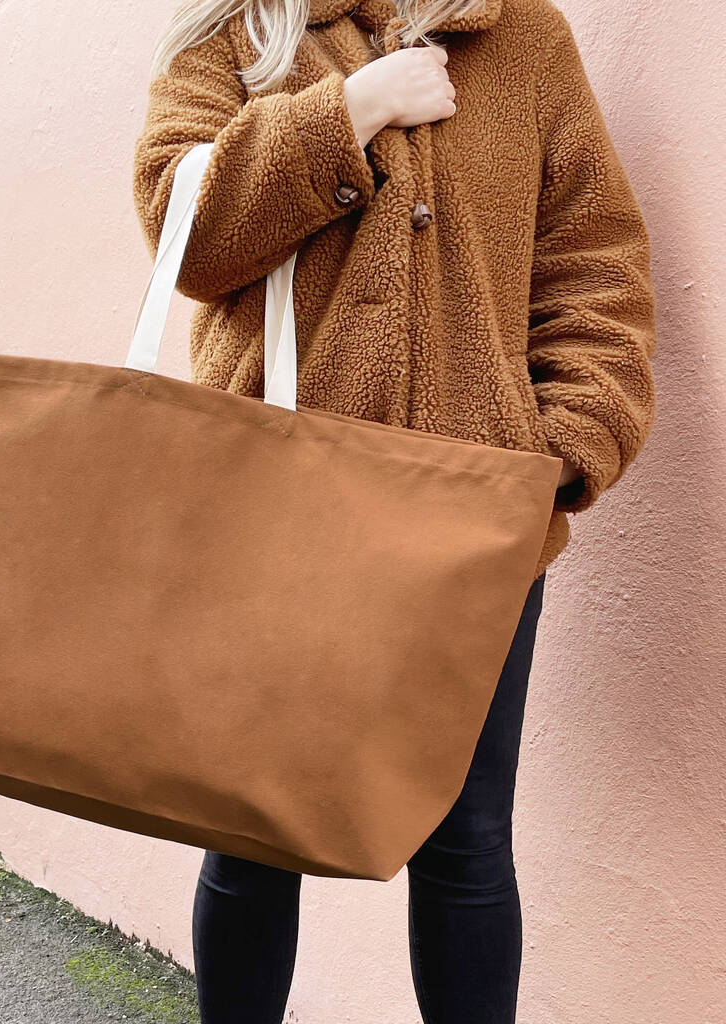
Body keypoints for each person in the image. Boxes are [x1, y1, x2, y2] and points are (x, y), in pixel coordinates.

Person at [131, 0, 658, 1021]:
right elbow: (179, 233)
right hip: (271, 511)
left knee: (464, 838)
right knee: (252, 831)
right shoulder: (238, 29)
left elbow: (594, 266)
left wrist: (555, 453)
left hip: (473, 517)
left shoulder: (524, 39)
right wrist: (349, 111)